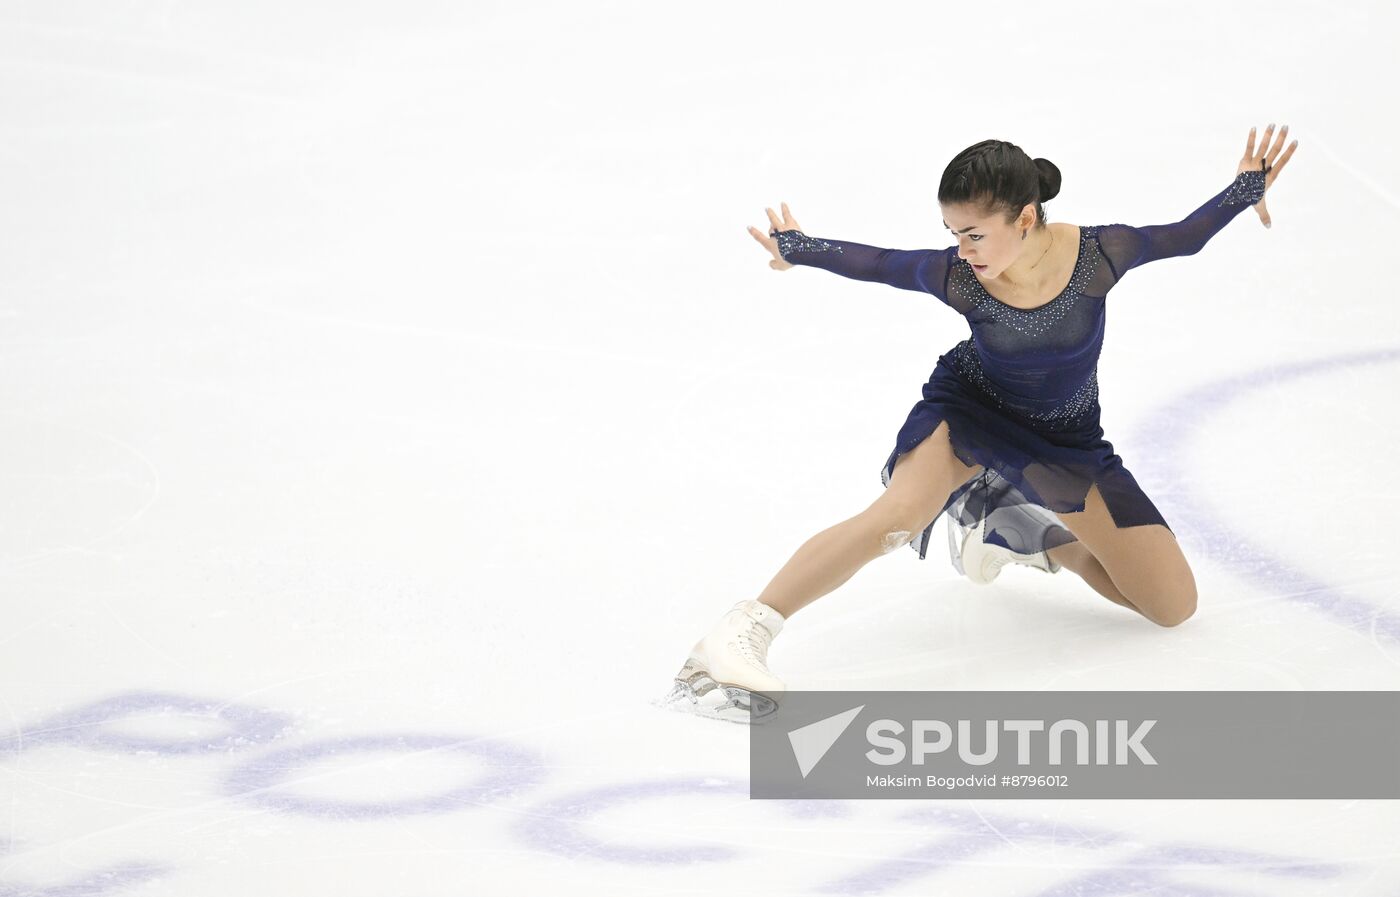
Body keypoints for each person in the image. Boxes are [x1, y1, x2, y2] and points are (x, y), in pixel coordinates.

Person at [665, 127, 1298, 722]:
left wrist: (1245, 189)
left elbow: (1184, 235)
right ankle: (744, 632)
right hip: (968, 409)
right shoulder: (959, 279)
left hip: (1066, 441)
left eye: (973, 235)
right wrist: (798, 249)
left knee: (1170, 606)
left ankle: (1019, 532)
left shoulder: (1103, 253)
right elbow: (879, 261)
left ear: (1025, 218)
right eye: (953, 233)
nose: (962, 251)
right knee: (896, 518)